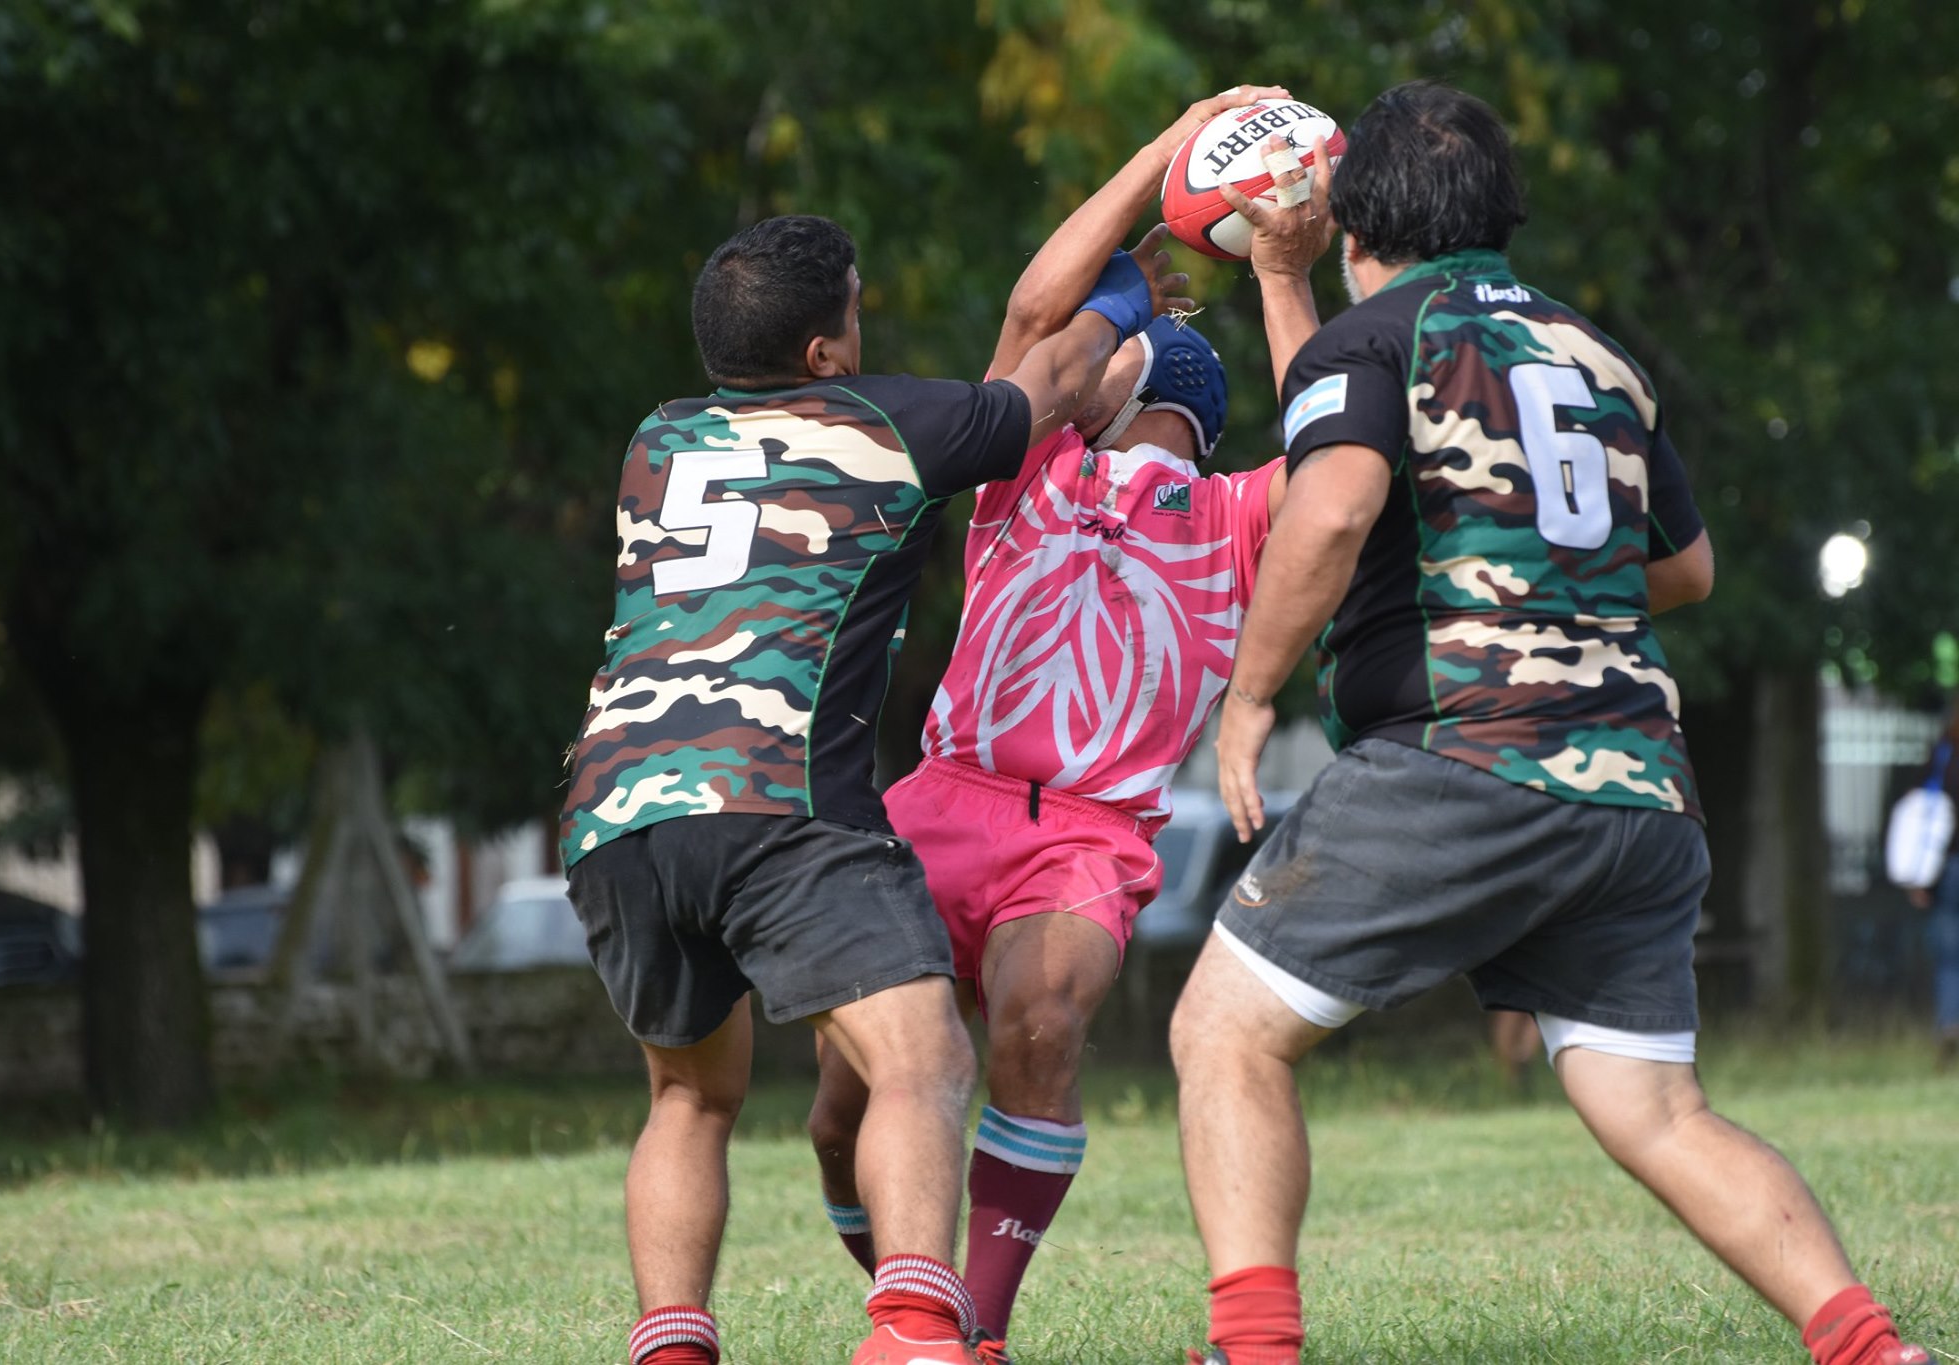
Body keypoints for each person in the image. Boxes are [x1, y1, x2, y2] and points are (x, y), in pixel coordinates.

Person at [1171, 81, 1929, 1365]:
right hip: (1636, 785)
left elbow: (1330, 503)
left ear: (1358, 222)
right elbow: (1683, 571)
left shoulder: (1378, 342)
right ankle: (1866, 1345)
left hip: (1461, 755)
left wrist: (1247, 700)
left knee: (1223, 1033)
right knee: (1656, 1110)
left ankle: (1252, 1352)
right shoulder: (1595, 353)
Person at [559, 213, 1192, 1365]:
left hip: (617, 809)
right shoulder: (882, 424)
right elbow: (1051, 372)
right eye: (854, 309)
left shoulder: (657, 440)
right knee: (923, 1064)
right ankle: (913, 1334)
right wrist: (1129, 291)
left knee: (688, 1101)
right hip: (777, 797)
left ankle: (672, 1348)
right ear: (823, 353)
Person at [803, 87, 1330, 1365]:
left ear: (1126, 389)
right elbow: (1040, 313)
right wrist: (1162, 159)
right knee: (838, 1121)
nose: (1066, 368)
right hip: (941, 800)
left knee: (1038, 1027)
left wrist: (1280, 277)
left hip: (1088, 834)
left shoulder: (1235, 514)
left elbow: (1334, 450)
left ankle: (969, 1331)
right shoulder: (1025, 465)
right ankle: (919, 1299)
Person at [1903, 711, 1959, 1071]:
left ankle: (1951, 1023)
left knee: (1950, 959)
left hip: (1947, 869)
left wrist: (1919, 878)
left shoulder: (1943, 757)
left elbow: (1918, 816)